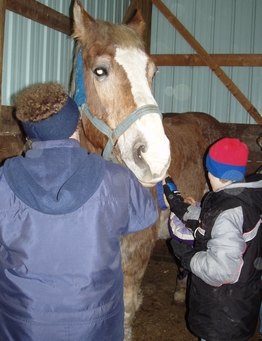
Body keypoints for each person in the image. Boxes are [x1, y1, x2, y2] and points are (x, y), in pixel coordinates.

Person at [0, 83, 159, 341]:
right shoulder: (117, 180)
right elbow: (144, 216)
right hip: (96, 324)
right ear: (78, 125)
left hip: (24, 324)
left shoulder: (3, 183)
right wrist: (134, 185)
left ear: (28, 134)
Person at [164, 137, 262, 341]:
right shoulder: (240, 197)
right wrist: (181, 207)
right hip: (237, 304)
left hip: (223, 315)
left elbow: (220, 271)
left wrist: (188, 258)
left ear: (211, 172)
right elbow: (212, 222)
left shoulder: (227, 210)